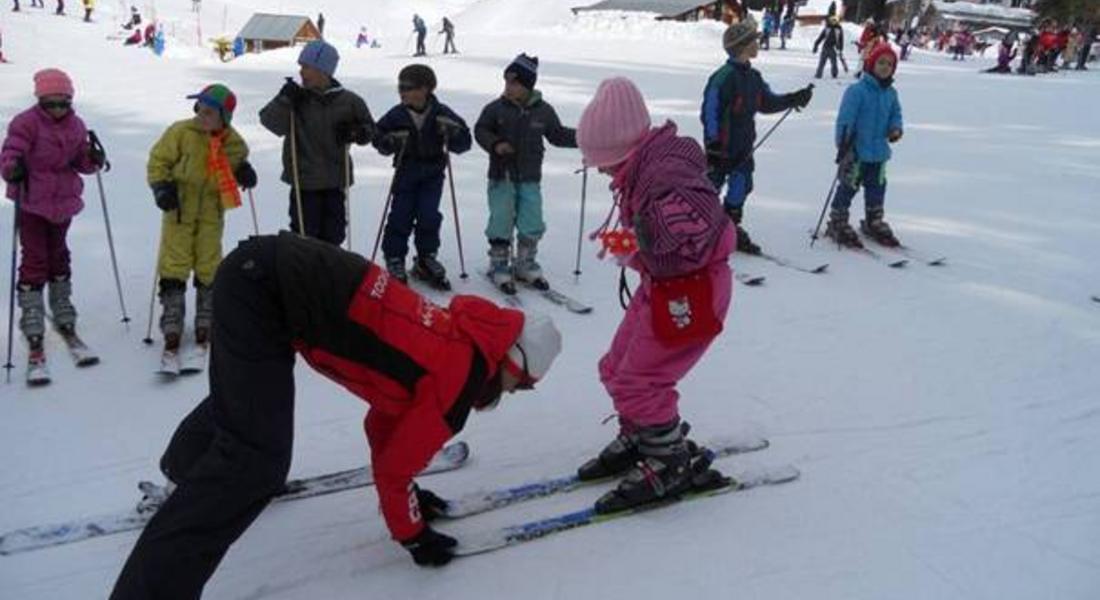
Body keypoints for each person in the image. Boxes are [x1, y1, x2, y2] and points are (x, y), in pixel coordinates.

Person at [108, 232, 563, 598]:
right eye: (520, 385)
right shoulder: (460, 382)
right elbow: (391, 468)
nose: (513, 393)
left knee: (251, 402)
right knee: (254, 462)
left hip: (270, 273)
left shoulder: (462, 338)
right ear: (512, 364)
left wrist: (407, 488)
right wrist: (412, 532)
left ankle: (183, 470)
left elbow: (384, 424)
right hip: (267, 289)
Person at [574, 77, 734, 514]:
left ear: (623, 151)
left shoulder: (666, 177)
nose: (603, 172)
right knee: (615, 367)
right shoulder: (648, 167)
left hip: (692, 293)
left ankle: (668, 461)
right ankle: (643, 435)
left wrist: (637, 243)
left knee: (640, 379)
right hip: (665, 287)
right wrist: (631, 244)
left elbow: (694, 237)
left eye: (604, 163)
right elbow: (662, 241)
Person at [0, 69, 104, 378]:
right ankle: (32, 322)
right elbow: (10, 152)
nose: (58, 109)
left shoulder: (76, 125)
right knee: (35, 259)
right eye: (51, 103)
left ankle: (63, 312)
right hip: (32, 203)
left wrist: (92, 159)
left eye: (64, 103)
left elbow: (80, 160)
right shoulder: (25, 123)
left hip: (63, 202)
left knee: (59, 256)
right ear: (40, 101)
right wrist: (12, 168)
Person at [146, 84, 254, 361]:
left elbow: (237, 160)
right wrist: (161, 186)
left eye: (208, 112)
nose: (201, 115)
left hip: (211, 211)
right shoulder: (180, 132)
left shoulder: (233, 142)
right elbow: (158, 161)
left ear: (224, 118)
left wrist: (244, 171)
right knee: (175, 260)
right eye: (199, 109)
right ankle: (172, 316)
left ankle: (206, 314)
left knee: (209, 261)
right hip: (178, 207)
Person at [701, 15, 813, 255]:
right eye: (754, 41)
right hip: (721, 148)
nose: (758, 44)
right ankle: (702, 228)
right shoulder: (723, 78)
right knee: (710, 188)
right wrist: (712, 143)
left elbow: (767, 102)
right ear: (741, 46)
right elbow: (710, 111)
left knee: (741, 185)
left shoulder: (754, 77)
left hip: (743, 147)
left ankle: (729, 227)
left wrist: (793, 98)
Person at [474, 54, 577, 294]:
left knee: (532, 220)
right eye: (506, 82)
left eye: (514, 83)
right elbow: (480, 130)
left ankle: (525, 263)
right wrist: (496, 144)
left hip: (530, 177)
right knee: (501, 218)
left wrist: (584, 137)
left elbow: (558, 135)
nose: (508, 88)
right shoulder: (495, 108)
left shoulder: (543, 111)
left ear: (528, 86)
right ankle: (499, 264)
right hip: (502, 176)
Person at [259, 40, 374, 246]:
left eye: (306, 67)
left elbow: (370, 129)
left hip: (334, 179)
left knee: (335, 233)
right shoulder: (297, 99)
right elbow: (271, 123)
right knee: (305, 233)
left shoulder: (349, 101)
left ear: (323, 69)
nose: (301, 72)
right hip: (304, 181)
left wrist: (357, 132)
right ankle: (304, 274)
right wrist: (284, 100)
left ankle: (329, 273)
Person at [372, 64, 471, 289]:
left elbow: (465, 142)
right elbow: (377, 135)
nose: (402, 92)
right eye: (400, 87)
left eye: (408, 87)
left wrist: (452, 133)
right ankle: (394, 257)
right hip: (405, 172)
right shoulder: (397, 114)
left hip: (432, 174)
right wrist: (389, 142)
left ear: (426, 89)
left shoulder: (441, 112)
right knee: (401, 214)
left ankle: (426, 257)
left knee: (428, 215)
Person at [825, 43, 904, 249]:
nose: (885, 67)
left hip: (879, 153)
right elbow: (845, 119)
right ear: (871, 64)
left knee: (877, 188)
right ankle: (838, 219)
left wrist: (896, 128)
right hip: (857, 152)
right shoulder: (857, 91)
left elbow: (896, 114)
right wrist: (843, 146)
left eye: (889, 64)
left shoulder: (891, 93)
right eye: (881, 62)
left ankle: (873, 219)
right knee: (848, 186)